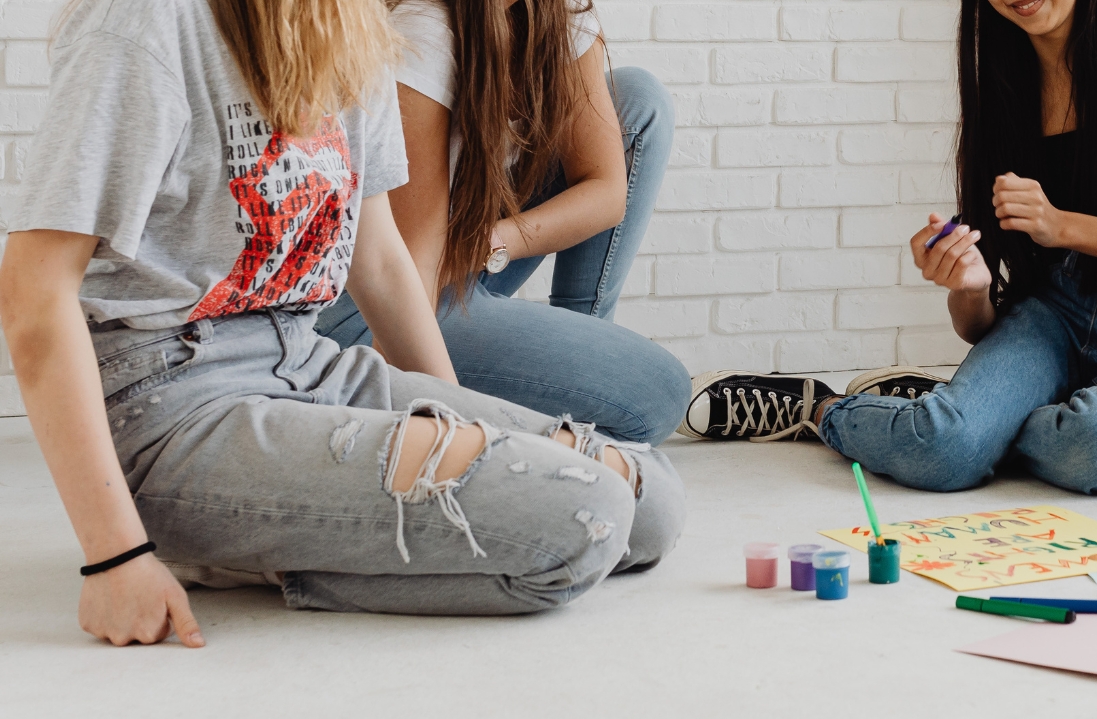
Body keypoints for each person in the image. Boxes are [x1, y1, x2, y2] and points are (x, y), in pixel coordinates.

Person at [0, 0, 684, 647]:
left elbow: (379, 260)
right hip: (177, 402)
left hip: (309, 357)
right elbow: (32, 293)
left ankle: (282, 532)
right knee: (583, 519)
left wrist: (455, 416)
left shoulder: (348, 23)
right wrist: (113, 558)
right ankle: (226, 540)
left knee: (650, 506)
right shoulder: (144, 22)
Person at [673, 0, 1097, 495]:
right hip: (1053, 318)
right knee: (943, 450)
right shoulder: (1003, 90)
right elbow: (978, 326)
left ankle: (958, 419)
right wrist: (969, 287)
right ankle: (821, 409)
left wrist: (1064, 226)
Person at [316, 0, 689, 448]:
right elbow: (404, 270)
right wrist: (445, 424)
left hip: (459, 254)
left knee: (637, 96)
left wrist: (492, 241)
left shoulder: (559, 14)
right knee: (660, 394)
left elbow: (607, 193)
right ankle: (552, 409)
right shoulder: (425, 30)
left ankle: (581, 363)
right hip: (376, 308)